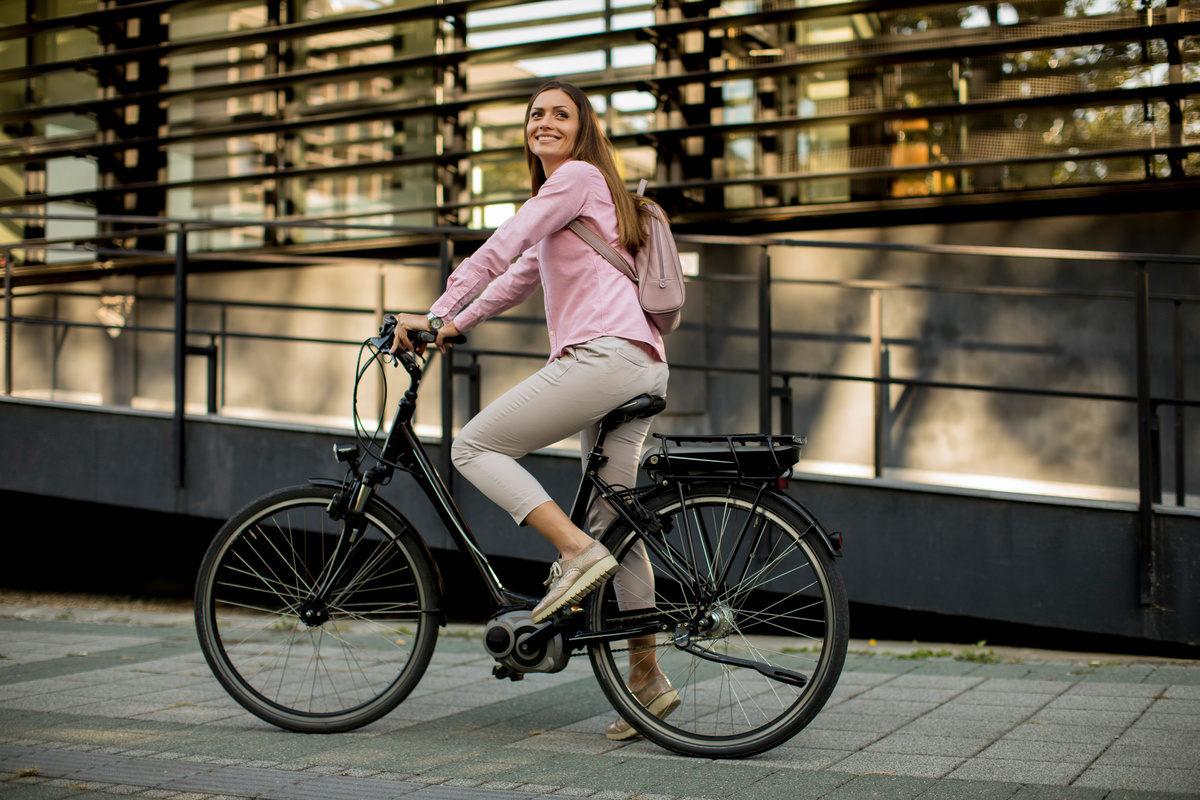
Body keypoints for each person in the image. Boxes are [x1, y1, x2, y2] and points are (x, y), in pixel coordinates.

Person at [393, 79, 677, 739]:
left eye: (560, 114)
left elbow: (500, 245)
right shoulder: (574, 204)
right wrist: (457, 322)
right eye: (536, 114)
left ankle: (573, 554)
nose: (545, 122)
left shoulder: (575, 179)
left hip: (604, 358)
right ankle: (645, 682)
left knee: (475, 446)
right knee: (618, 526)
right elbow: (518, 274)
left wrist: (434, 312)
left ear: (582, 132)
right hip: (640, 361)